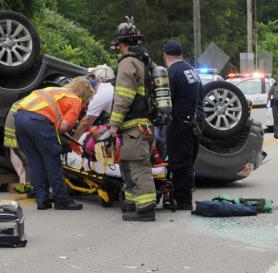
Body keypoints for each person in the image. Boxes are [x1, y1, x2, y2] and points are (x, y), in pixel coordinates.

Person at [14, 76, 94, 211]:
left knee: (35, 161)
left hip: (20, 118)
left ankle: (42, 200)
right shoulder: (75, 100)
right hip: (39, 121)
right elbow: (63, 127)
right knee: (52, 160)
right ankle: (62, 200)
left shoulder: (53, 90)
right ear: (84, 95)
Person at [108, 16, 157, 222]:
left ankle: (145, 209)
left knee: (138, 167)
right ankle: (131, 204)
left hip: (132, 125)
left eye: (118, 44)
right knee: (128, 166)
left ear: (122, 43)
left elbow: (124, 97)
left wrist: (113, 125)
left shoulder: (128, 63)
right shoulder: (146, 61)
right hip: (142, 124)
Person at [161, 39, 201, 211]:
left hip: (180, 124)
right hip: (196, 124)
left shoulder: (171, 73)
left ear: (165, 55)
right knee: (188, 162)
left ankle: (183, 201)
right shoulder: (192, 71)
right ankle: (183, 196)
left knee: (179, 163)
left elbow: (165, 102)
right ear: (181, 54)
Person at [74, 64, 114, 140]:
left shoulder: (102, 93)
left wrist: (73, 141)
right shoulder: (109, 88)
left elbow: (85, 123)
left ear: (96, 78)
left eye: (91, 76)